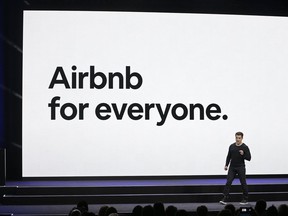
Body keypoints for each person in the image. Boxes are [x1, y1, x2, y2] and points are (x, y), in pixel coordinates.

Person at [220, 132, 251, 205]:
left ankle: (245, 198)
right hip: (232, 167)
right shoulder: (231, 146)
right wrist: (226, 165)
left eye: (239, 138)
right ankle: (225, 197)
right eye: (236, 138)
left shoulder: (245, 147)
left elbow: (249, 158)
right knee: (228, 181)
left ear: (242, 138)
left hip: (241, 167)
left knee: (243, 182)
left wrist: (243, 154)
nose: (238, 139)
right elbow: (228, 156)